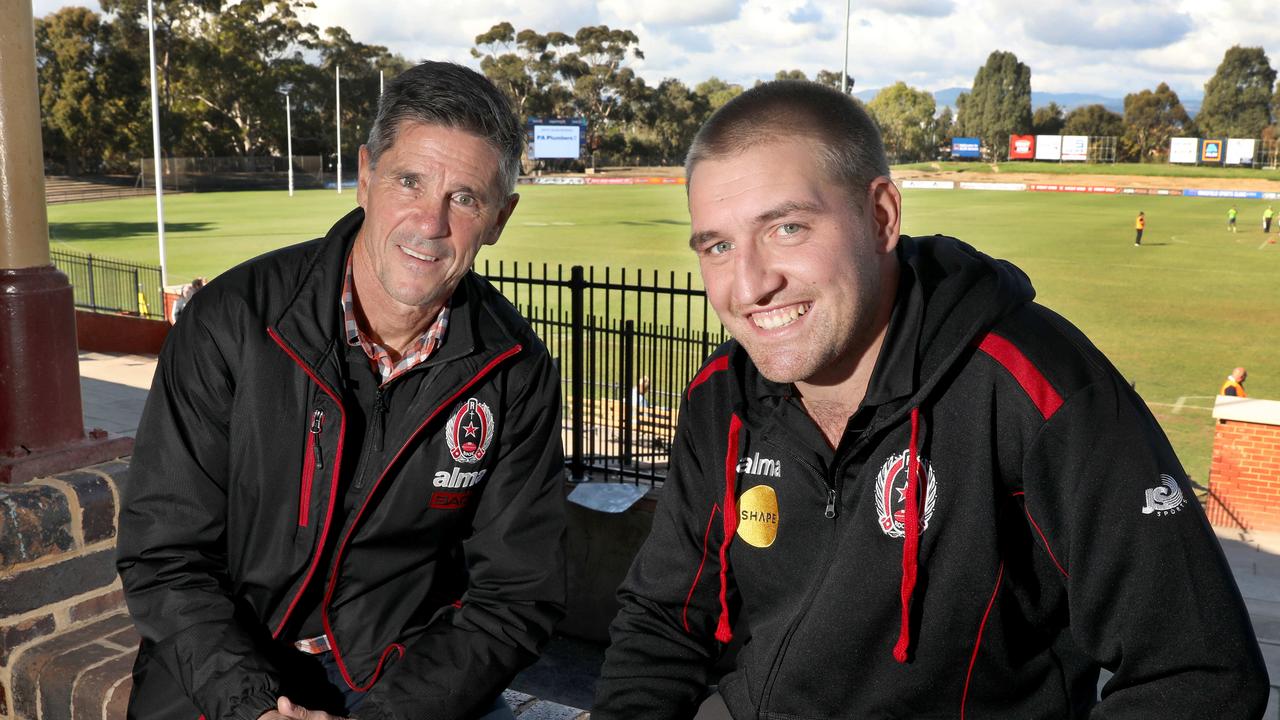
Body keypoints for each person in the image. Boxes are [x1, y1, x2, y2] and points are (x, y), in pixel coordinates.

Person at [593, 80, 1267, 719]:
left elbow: (1198, 672)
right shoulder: (722, 395)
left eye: (787, 228)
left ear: (880, 215)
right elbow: (663, 620)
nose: (749, 286)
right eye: (717, 245)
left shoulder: (1035, 387)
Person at [117, 62, 567, 720]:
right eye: (410, 181)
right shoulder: (234, 322)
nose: (431, 222)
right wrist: (255, 709)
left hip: (401, 673)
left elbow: (516, 595)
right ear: (365, 176)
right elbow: (165, 551)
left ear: (500, 218)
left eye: (465, 197)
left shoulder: (514, 369)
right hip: (227, 662)